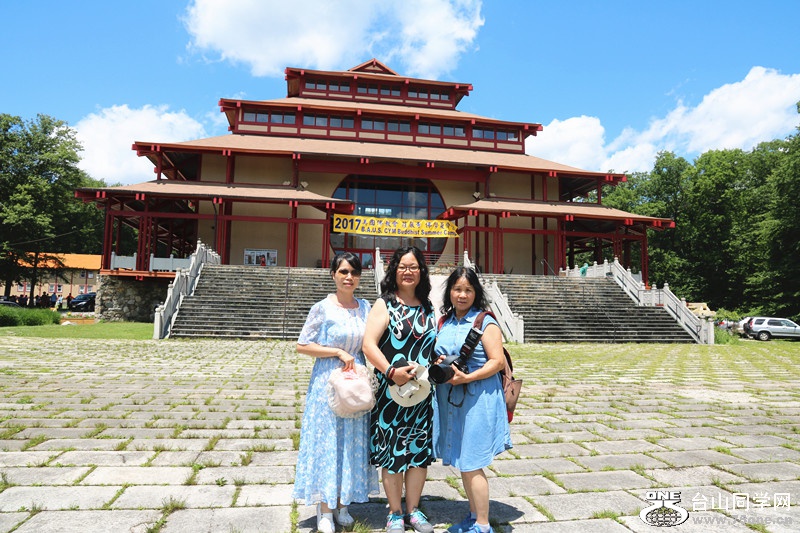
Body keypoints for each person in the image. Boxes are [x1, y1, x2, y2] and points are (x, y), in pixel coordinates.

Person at [293, 252, 379, 533]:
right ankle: (325, 508)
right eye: (343, 271)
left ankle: (343, 503)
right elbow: (303, 345)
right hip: (328, 382)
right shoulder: (322, 308)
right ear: (333, 274)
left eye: (354, 272)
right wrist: (337, 352)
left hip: (356, 383)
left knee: (352, 442)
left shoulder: (366, 307)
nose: (348, 277)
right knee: (328, 442)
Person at [362, 246, 437, 533]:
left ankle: (413, 511)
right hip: (391, 393)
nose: (408, 272)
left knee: (417, 453)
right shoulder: (385, 304)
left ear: (421, 272)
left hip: (421, 394)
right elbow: (369, 344)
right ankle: (395, 513)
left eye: (413, 267)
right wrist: (391, 372)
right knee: (392, 453)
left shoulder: (428, 307)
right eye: (403, 267)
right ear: (394, 270)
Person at [433, 267, 512, 533]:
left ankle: (483, 525)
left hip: (479, 397)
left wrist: (468, 377)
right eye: (457, 289)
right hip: (452, 397)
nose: (462, 295)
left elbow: (496, 361)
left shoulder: (485, 322)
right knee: (462, 461)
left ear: (476, 293)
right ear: (449, 292)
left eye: (468, 290)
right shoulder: (444, 322)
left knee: (472, 461)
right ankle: (473, 515)